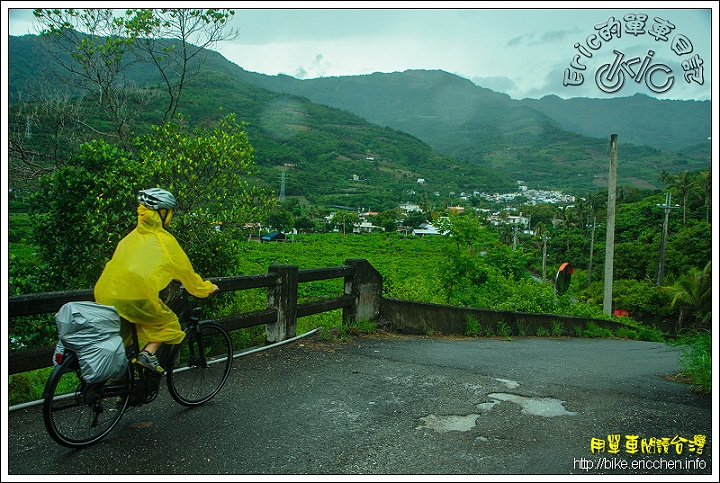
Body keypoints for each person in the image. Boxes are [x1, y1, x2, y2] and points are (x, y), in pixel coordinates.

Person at [94, 188, 219, 374]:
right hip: (135, 299)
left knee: (125, 347)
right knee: (168, 323)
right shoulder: (163, 241)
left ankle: (123, 393)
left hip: (106, 296)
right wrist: (206, 288)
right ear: (162, 213)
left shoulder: (130, 238)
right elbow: (186, 273)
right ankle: (148, 354)